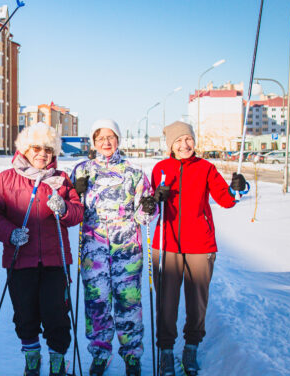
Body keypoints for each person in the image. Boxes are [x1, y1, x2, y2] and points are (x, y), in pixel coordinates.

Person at [0, 122, 84, 376]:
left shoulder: (60, 180)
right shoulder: (7, 179)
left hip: (55, 261)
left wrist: (63, 208)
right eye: (36, 147)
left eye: (48, 149)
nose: (42, 153)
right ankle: (32, 360)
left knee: (57, 316)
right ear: (25, 149)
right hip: (20, 261)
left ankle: (58, 364)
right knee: (25, 315)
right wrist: (10, 234)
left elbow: (77, 212)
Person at [150, 121, 247, 376]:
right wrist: (155, 199)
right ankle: (166, 351)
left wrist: (238, 188)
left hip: (200, 245)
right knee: (166, 303)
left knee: (197, 303)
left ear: (194, 140)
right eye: (178, 141)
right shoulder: (160, 169)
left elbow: (226, 200)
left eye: (188, 139)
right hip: (167, 244)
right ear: (170, 145)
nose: (184, 145)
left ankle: (191, 347)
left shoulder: (206, 168)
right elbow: (148, 208)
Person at [71, 119, 157, 376]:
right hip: (93, 249)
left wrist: (149, 207)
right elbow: (72, 210)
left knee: (128, 303)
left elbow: (144, 216)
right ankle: (100, 353)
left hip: (127, 250)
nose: (106, 142)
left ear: (118, 139)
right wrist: (75, 192)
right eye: (100, 138)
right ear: (93, 141)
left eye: (111, 137)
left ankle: (132, 355)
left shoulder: (134, 172)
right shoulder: (81, 170)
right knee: (96, 303)